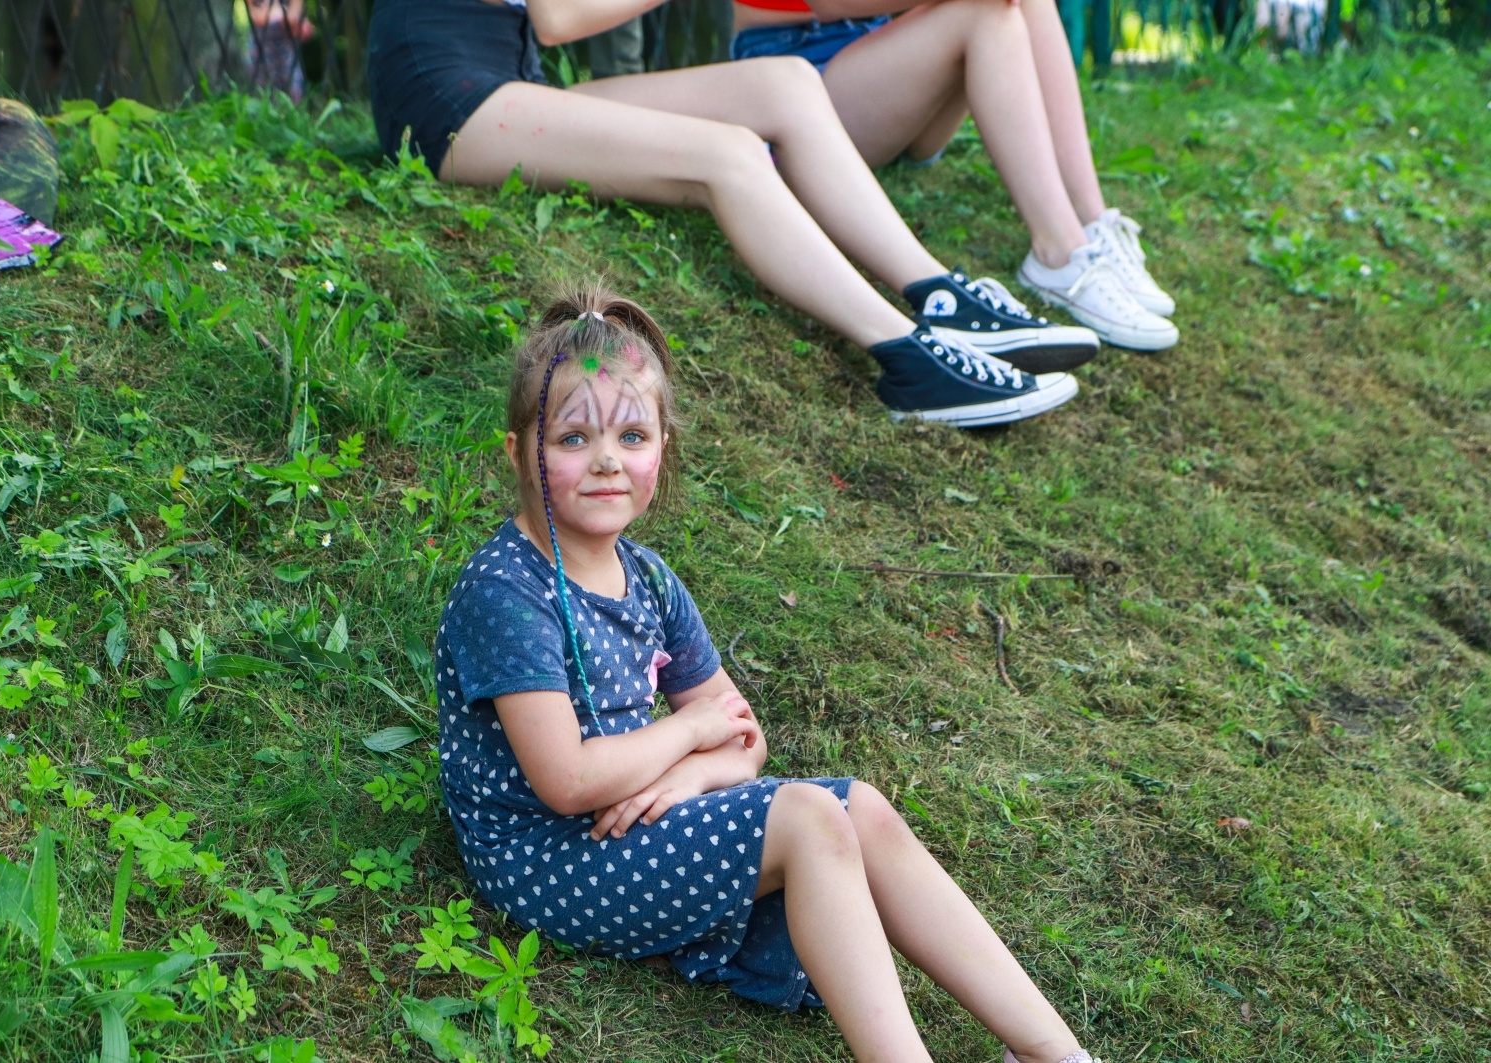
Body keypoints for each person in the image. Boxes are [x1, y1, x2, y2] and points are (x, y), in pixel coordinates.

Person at [431, 286, 1110, 1063]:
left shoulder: (647, 577)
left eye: (632, 433)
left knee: (862, 807)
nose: (608, 460)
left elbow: (744, 735)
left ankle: (1058, 1053)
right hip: (551, 856)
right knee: (807, 818)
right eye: (573, 438)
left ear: (662, 450)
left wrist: (694, 774)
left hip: (632, 820)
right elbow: (566, 779)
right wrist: (688, 732)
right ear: (519, 451)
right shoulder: (508, 592)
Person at [366, 0, 1097, 428]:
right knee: (729, 154)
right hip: (450, 103)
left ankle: (939, 293)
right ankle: (909, 356)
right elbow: (559, 14)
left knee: (782, 83)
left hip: (504, 77)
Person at [729, 0, 1181, 351]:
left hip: (891, 62)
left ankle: (1091, 222)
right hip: (804, 70)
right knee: (986, 9)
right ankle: (1058, 253)